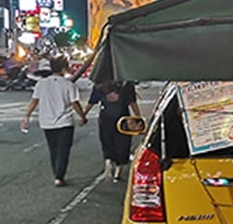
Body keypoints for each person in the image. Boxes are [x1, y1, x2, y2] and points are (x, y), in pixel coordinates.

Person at [20, 56, 88, 187]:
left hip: (47, 122)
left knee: (53, 149)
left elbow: (34, 101)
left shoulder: (42, 83)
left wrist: (26, 116)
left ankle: (56, 174)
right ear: (63, 68)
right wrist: (82, 117)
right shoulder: (68, 84)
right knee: (63, 150)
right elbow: (75, 103)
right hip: (65, 122)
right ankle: (59, 176)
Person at [89, 79, 142, 182]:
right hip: (123, 119)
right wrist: (138, 117)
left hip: (105, 118)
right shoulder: (126, 84)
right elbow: (132, 102)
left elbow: (91, 101)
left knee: (107, 140)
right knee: (123, 143)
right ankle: (118, 171)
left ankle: (108, 161)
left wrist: (83, 115)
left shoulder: (100, 84)